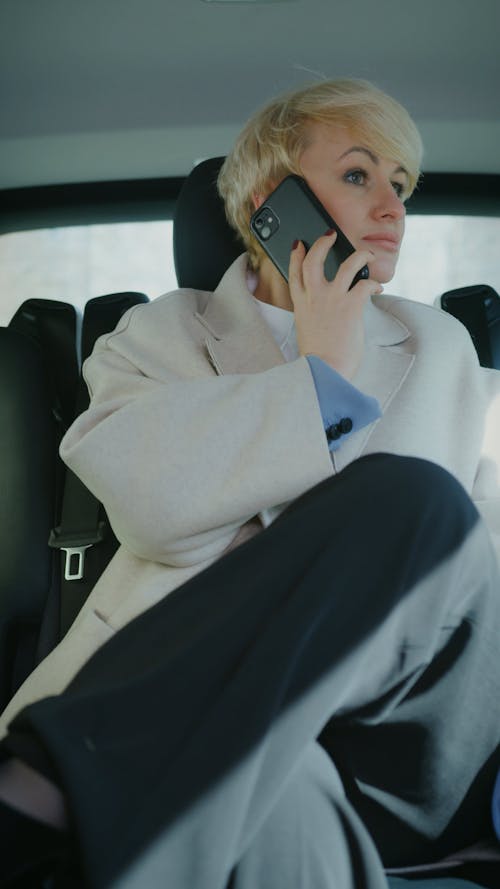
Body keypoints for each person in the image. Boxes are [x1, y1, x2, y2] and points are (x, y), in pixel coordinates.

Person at [0, 78, 499, 888]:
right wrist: (322, 375)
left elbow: (479, 570)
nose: (393, 208)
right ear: (273, 198)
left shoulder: (443, 348)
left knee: (419, 503)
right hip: (230, 764)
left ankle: (50, 783)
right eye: (359, 175)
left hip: (401, 753)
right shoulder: (156, 336)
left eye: (401, 185)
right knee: (258, 785)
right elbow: (156, 513)